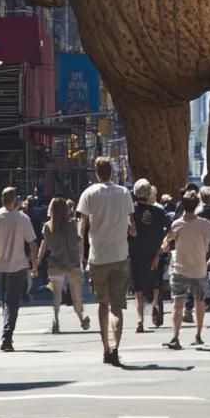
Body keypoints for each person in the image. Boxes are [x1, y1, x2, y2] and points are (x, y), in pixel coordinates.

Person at [77, 157, 136, 366]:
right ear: (112, 172)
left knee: (102, 304)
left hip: (98, 257)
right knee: (117, 307)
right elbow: (132, 226)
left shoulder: (89, 194)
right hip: (120, 255)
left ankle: (106, 348)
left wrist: (81, 256)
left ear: (96, 172)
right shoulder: (124, 193)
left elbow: (81, 228)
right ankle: (116, 347)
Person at [0, 187, 38, 352]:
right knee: (12, 303)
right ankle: (7, 336)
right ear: (15, 200)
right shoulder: (22, 219)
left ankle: (7, 332)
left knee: (6, 301)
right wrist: (34, 265)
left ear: (2, 199)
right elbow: (32, 243)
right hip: (17, 265)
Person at [161, 191, 210, 349]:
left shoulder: (177, 224)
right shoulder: (204, 224)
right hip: (199, 269)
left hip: (180, 268)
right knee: (199, 302)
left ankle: (175, 337)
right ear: (197, 205)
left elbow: (167, 244)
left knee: (177, 304)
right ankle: (198, 335)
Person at [37, 197, 89, 334]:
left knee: (56, 296)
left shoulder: (47, 227)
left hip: (55, 263)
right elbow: (78, 241)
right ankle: (81, 319)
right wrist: (82, 259)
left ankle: (55, 319)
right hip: (72, 264)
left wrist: (36, 262)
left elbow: (44, 246)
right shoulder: (72, 225)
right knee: (76, 296)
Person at [129, 179, 170, 332]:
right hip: (154, 253)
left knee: (137, 287)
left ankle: (140, 319)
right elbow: (170, 228)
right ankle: (155, 305)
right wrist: (164, 242)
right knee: (155, 283)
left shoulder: (131, 210)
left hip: (135, 252)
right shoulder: (158, 211)